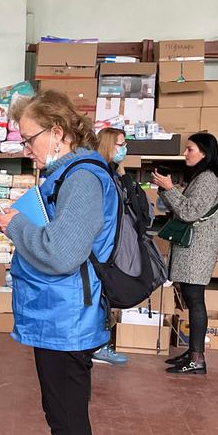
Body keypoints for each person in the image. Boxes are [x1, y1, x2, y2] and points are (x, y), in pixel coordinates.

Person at [0, 90, 117, 435]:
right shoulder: (66, 175)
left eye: (29, 139)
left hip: (68, 322)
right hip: (57, 317)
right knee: (62, 425)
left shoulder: (82, 178)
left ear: (57, 134)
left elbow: (62, 253)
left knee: (70, 430)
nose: (25, 148)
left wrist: (15, 224)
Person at [153, 132, 218, 375]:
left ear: (204, 152)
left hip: (198, 251)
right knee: (192, 300)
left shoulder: (208, 179)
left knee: (195, 302)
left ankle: (197, 359)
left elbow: (189, 212)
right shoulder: (202, 177)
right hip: (193, 249)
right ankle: (193, 352)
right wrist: (167, 189)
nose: (185, 153)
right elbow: (185, 205)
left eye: (190, 149)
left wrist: (170, 188)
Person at [88, 128, 132, 367]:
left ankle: (100, 344)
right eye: (120, 144)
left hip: (109, 245)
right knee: (97, 295)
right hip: (99, 246)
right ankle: (97, 345)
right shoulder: (98, 173)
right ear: (107, 145)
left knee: (103, 295)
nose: (123, 149)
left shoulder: (113, 172)